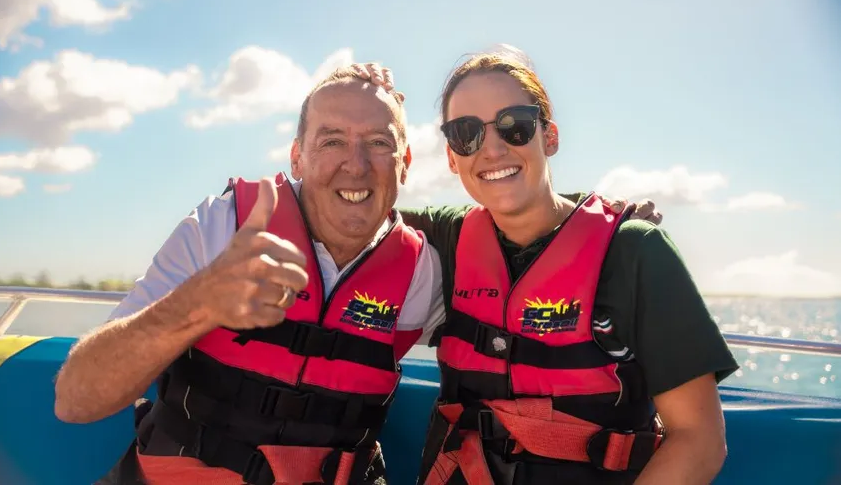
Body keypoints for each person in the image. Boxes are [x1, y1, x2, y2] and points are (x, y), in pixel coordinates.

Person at [53, 64, 663, 485]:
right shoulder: (224, 227)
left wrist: (607, 228)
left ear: (405, 162)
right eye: (332, 140)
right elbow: (76, 400)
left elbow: (530, 238)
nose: (356, 164)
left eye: (377, 142)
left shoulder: (426, 267)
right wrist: (199, 302)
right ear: (296, 157)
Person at [352, 50, 738, 485]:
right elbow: (339, 210)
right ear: (451, 157)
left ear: (549, 137)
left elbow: (700, 439)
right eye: (466, 133)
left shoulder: (635, 251)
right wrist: (352, 89)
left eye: (515, 125)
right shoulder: (445, 239)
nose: (493, 148)